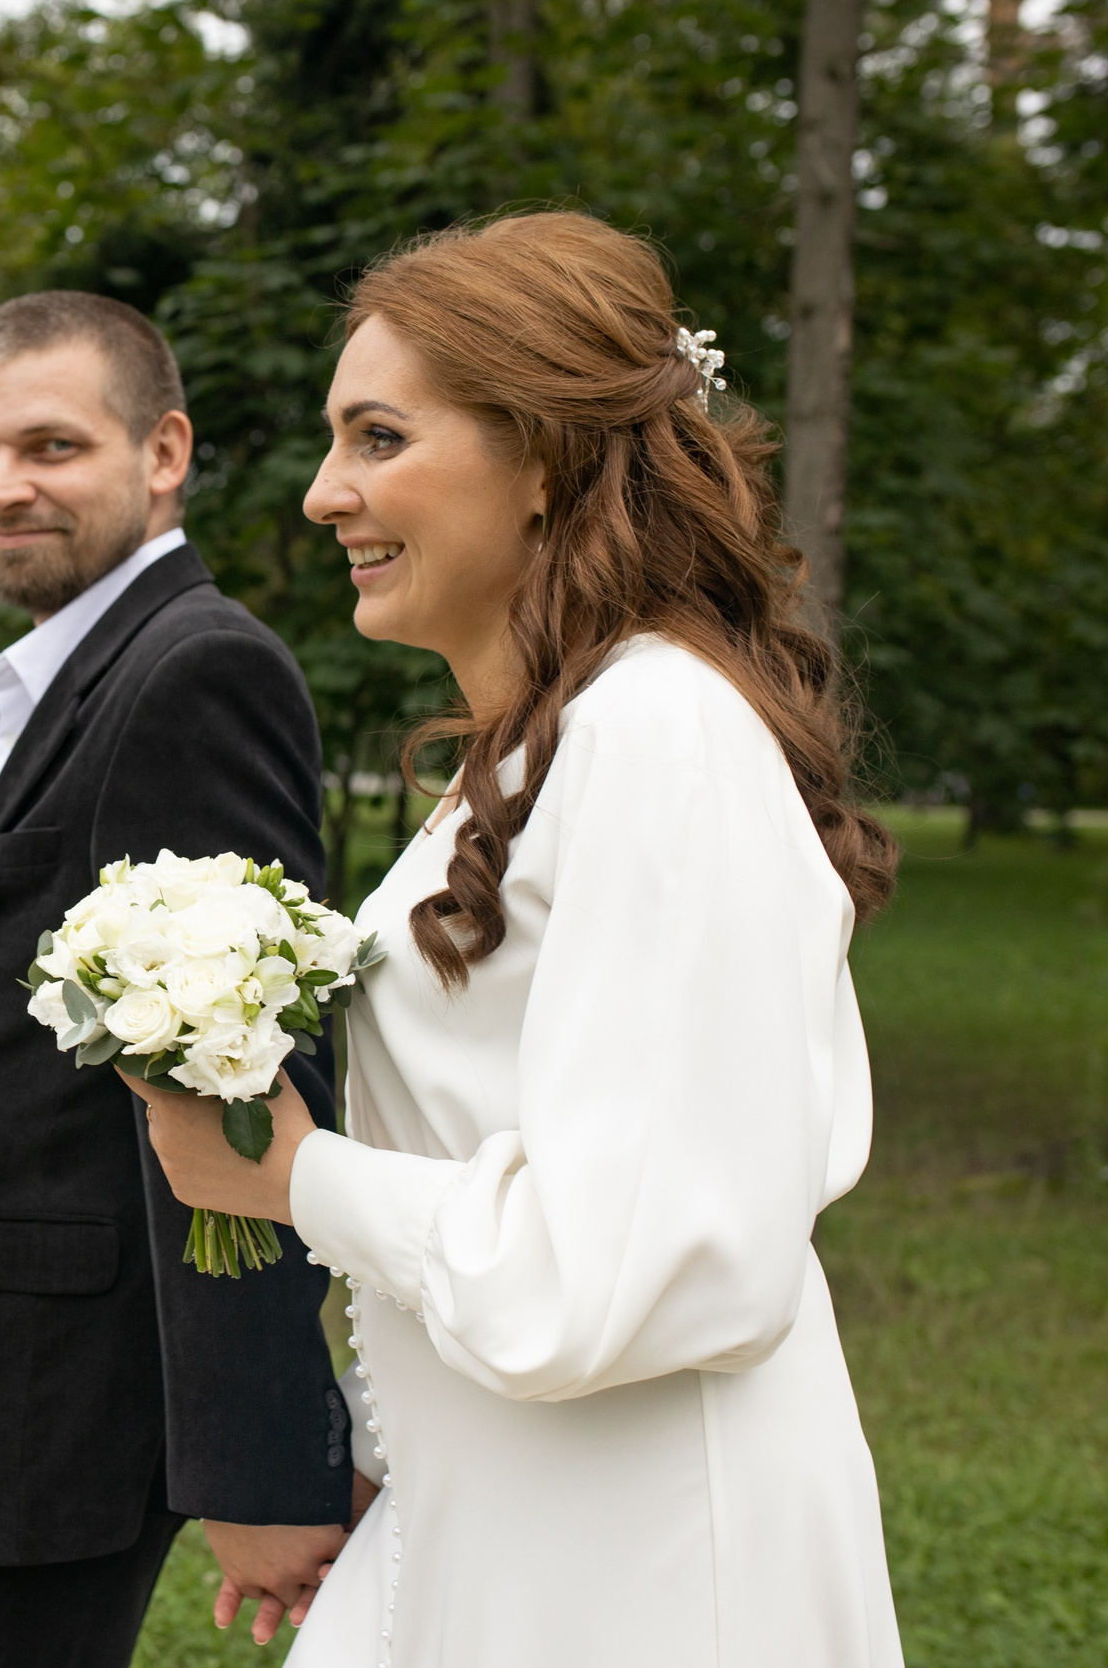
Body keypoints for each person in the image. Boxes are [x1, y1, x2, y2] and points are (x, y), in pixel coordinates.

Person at [130, 212, 909, 1667]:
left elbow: (660, 1264)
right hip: (483, 1497)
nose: (320, 495)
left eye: (376, 439)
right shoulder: (532, 755)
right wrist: (385, 1435)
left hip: (642, 1556)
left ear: (543, 456)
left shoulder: (660, 734)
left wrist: (302, 1177)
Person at [0, 290, 373, 1668]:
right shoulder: (70, 669)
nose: (2, 489)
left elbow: (243, 1074)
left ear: (163, 452)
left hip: (49, 1396)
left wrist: (253, 1464)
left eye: (51, 448)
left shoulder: (195, 672)